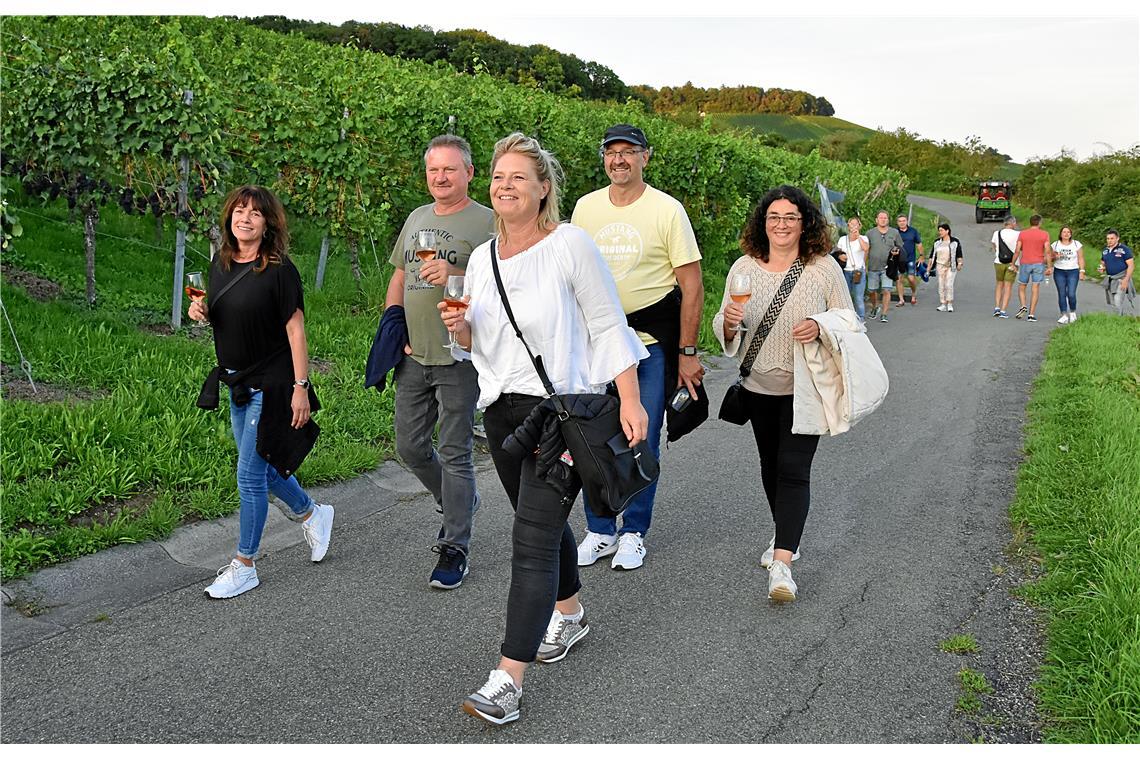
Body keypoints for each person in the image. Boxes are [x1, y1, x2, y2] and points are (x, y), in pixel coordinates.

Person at [440, 133, 648, 725]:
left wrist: (628, 400)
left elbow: (609, 324)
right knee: (544, 523)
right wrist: (458, 328)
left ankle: (508, 678)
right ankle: (572, 612)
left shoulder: (570, 246)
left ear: (543, 189)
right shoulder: (481, 260)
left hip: (564, 412)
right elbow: (476, 345)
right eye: (499, 177)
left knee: (529, 541)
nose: (505, 186)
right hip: (504, 413)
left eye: (519, 178)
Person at [569, 124, 705, 571]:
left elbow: (692, 285)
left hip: (649, 344)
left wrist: (687, 353)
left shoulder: (667, 210)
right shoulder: (586, 208)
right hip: (595, 347)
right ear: (603, 158)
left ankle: (634, 532)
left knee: (640, 437)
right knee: (589, 439)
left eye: (630, 152)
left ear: (646, 157)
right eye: (612, 152)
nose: (620, 160)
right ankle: (600, 529)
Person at [189, 186, 333, 599]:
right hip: (235, 380)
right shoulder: (220, 265)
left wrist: (300, 387)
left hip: (271, 383)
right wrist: (199, 312)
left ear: (268, 223)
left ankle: (245, 564)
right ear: (229, 218)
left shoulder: (279, 270)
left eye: (255, 213)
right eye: (239, 211)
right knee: (263, 467)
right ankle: (312, 513)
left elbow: (295, 330)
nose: (245, 218)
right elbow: (224, 315)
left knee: (249, 475)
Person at [712, 185, 855, 603]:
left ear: (804, 222)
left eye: (790, 217)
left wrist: (820, 326)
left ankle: (782, 565)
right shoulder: (743, 268)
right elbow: (724, 323)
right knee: (770, 465)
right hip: (758, 386)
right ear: (763, 222)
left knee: (794, 470)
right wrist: (730, 323)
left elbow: (847, 320)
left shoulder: (823, 268)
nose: (781, 224)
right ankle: (785, 532)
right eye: (774, 217)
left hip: (805, 388)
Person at [385, 134, 494, 589]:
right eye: (434, 170)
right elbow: (399, 274)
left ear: (469, 173)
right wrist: (392, 327)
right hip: (415, 353)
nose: (441, 177)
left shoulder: (488, 221)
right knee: (409, 447)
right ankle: (458, 502)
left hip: (459, 355)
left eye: (450, 169)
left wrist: (457, 274)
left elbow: (502, 282)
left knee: (454, 452)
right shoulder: (417, 218)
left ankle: (455, 547)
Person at [865, 210, 905, 323]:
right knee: (872, 290)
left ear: (888, 220)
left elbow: (900, 246)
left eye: (885, 218)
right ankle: (875, 306)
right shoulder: (870, 233)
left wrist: (896, 252)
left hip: (888, 267)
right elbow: (865, 250)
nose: (883, 220)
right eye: (881, 218)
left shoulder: (894, 232)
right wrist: (864, 264)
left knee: (887, 290)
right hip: (873, 266)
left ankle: (884, 313)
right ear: (876, 220)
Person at [1012, 214, 1050, 322]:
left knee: (1022, 286)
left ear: (1030, 222)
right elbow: (1047, 250)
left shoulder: (1023, 234)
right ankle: (1031, 314)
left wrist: (1013, 263)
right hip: (1038, 262)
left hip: (1025, 262)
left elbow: (1017, 249)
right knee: (1035, 288)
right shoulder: (1044, 234)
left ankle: (1023, 305)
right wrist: (1049, 266)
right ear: (1040, 223)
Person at [1049, 226, 1085, 324]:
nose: (1066, 234)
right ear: (1060, 234)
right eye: (1064, 232)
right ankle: (1064, 314)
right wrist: (1055, 257)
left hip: (1073, 271)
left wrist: (1082, 271)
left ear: (1071, 234)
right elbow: (1049, 258)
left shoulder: (1076, 244)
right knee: (1062, 293)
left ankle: (1073, 312)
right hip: (1059, 271)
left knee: (1071, 293)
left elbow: (1081, 258)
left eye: (1068, 232)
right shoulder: (1055, 245)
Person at [836, 216, 869, 322]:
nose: (854, 226)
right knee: (846, 296)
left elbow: (865, 248)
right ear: (848, 225)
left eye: (856, 224)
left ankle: (861, 318)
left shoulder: (863, 238)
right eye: (852, 224)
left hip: (858, 271)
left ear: (859, 226)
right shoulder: (843, 239)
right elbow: (838, 253)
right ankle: (847, 317)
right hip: (846, 271)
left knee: (858, 297)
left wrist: (858, 236)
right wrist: (840, 256)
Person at [1099, 229, 1135, 315]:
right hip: (1110, 279)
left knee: (1117, 300)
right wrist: (1102, 268)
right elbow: (1103, 263)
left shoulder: (1124, 249)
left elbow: (1131, 265)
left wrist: (1126, 280)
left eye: (1112, 238)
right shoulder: (1105, 251)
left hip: (1121, 278)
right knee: (1112, 302)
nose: (1109, 240)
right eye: (1108, 238)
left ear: (1117, 238)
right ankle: (1118, 318)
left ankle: (1118, 319)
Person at [991, 216, 1020, 318]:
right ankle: (1003, 310)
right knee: (1008, 286)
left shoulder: (997, 233)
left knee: (999, 284)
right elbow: (1019, 249)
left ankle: (997, 307)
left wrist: (998, 253)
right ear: (1013, 223)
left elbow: (994, 245)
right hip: (1012, 263)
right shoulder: (1018, 234)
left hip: (998, 262)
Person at [931, 223, 964, 312]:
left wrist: (960, 263)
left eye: (941, 230)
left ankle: (949, 303)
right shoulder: (937, 242)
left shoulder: (954, 242)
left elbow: (959, 254)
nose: (940, 232)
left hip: (951, 266)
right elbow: (932, 255)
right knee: (941, 284)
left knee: (949, 284)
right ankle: (943, 303)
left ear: (947, 231)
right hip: (940, 265)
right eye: (939, 230)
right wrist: (929, 267)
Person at [894, 213, 924, 306]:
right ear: (897, 223)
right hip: (898, 259)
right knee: (899, 279)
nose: (902, 223)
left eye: (903, 221)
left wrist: (921, 255)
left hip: (910, 259)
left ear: (906, 221)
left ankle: (914, 294)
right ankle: (901, 299)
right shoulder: (894, 232)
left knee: (911, 279)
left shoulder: (913, 231)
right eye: (900, 221)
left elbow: (919, 244)